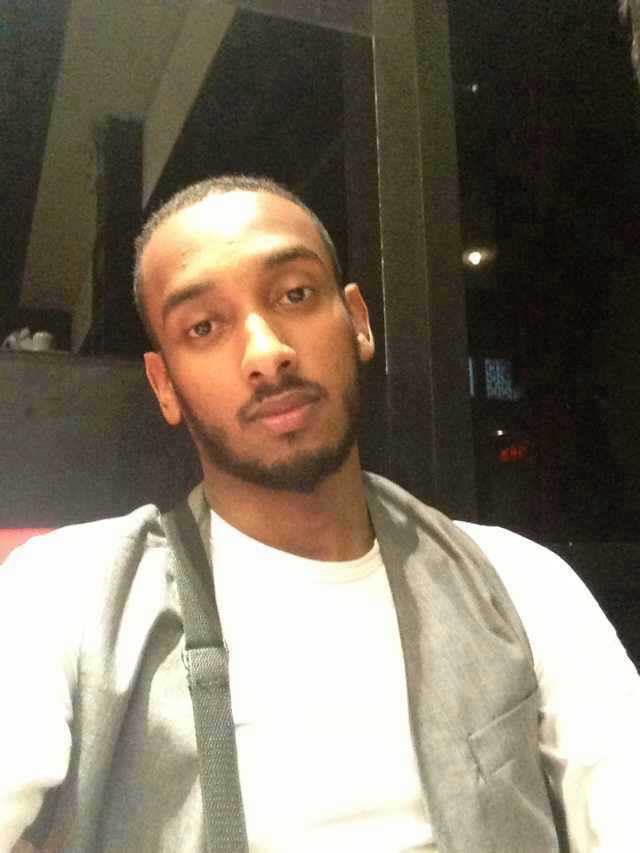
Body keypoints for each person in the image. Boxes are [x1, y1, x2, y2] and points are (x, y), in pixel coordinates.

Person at [1, 175, 638, 853]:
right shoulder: (66, 592)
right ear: (165, 385)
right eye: (204, 326)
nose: (266, 351)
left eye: (295, 295)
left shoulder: (519, 581)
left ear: (357, 320)